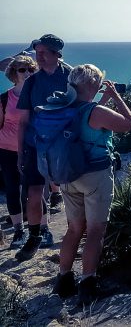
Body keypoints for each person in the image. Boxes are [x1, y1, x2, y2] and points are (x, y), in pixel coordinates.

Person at [46, 64, 131, 306]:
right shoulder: (95, 111)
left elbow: (85, 119)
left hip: (67, 175)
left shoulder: (62, 106)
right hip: (94, 175)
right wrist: (116, 97)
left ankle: (63, 280)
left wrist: (102, 98)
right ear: (92, 84)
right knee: (95, 231)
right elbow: (128, 124)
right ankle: (87, 284)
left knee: (74, 229)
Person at [14, 34, 69, 261]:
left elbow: (83, 107)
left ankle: (76, 234)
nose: (39, 56)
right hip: (35, 144)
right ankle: (35, 235)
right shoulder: (32, 82)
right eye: (37, 52)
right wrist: (19, 152)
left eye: (43, 52)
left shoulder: (72, 76)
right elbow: (23, 120)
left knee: (71, 191)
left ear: (57, 53)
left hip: (64, 145)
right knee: (34, 192)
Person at [1, 55, 37, 247]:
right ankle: (18, 231)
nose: (27, 73)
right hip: (7, 149)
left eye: (31, 69)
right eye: (22, 69)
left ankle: (38, 229)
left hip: (31, 147)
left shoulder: (37, 95)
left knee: (35, 190)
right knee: (13, 190)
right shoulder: (5, 98)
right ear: (13, 74)